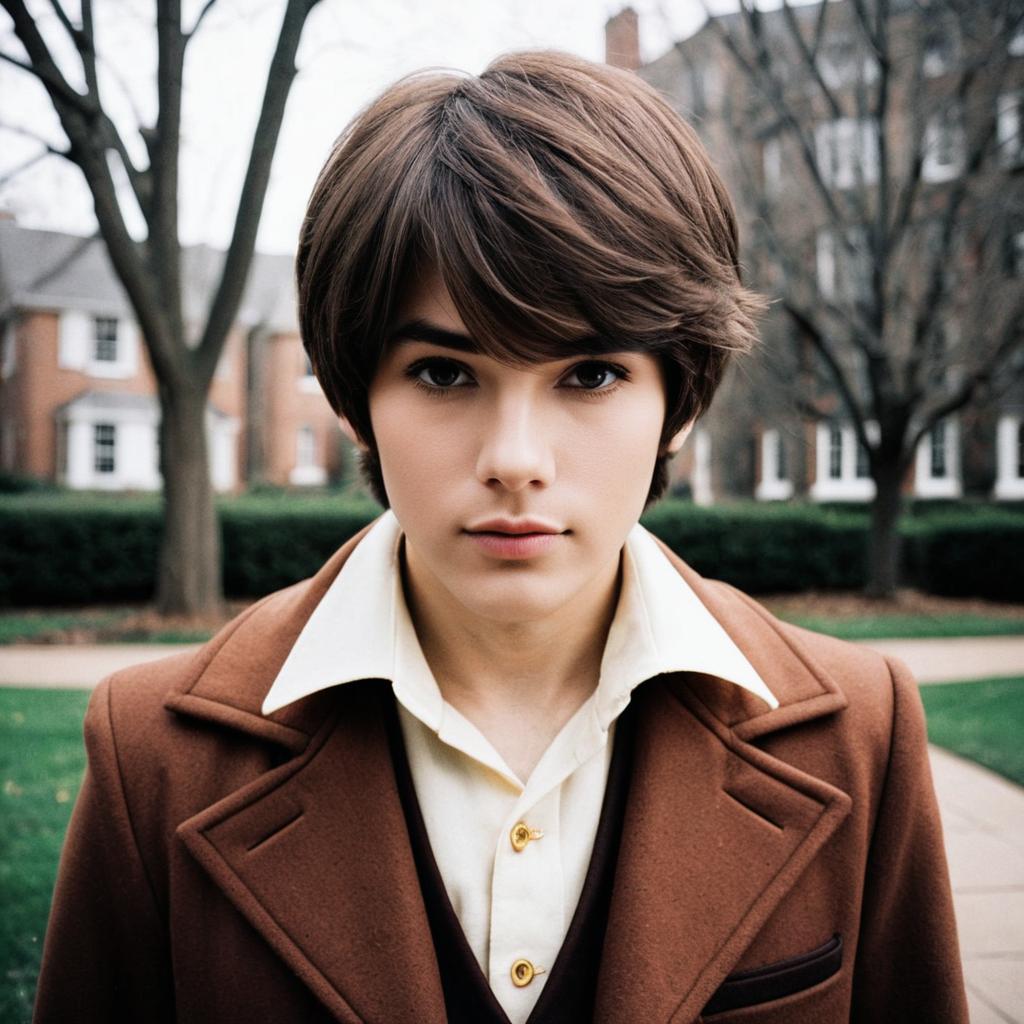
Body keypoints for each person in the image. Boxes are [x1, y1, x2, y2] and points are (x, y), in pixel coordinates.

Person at [34, 50, 967, 1024]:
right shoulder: (152, 753)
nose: (514, 457)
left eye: (589, 373)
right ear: (357, 399)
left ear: (679, 401)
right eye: (445, 373)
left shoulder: (859, 728)